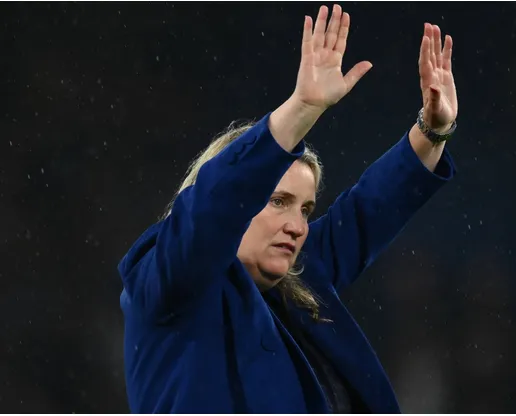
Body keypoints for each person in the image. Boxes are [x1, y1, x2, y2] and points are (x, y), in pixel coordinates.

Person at [118, 4, 459, 413]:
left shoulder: (299, 282)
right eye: (278, 202)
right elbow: (213, 207)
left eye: (305, 209)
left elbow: (370, 208)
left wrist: (433, 131)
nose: (297, 226)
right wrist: (302, 108)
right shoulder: (169, 279)